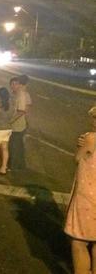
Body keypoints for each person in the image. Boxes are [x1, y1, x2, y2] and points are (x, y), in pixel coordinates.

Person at [65, 106, 96, 274]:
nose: (93, 122)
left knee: (79, 242)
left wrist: (80, 146)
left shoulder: (91, 138)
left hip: (88, 198)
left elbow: (78, 158)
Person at [8, 76, 28, 170]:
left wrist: (10, 121)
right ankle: (17, 165)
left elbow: (21, 111)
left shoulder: (21, 95)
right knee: (14, 145)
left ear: (19, 85)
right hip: (12, 126)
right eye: (12, 84)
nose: (14, 86)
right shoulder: (12, 95)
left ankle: (15, 166)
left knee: (15, 146)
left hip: (18, 126)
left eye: (16, 84)